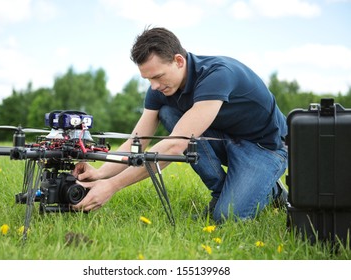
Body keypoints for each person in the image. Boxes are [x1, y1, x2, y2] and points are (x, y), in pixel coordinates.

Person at [72, 27, 288, 223]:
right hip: (224, 137)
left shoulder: (218, 74)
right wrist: (101, 174)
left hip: (265, 148)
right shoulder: (160, 89)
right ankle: (221, 191)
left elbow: (175, 146)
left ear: (179, 61)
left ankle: (272, 191)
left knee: (227, 217)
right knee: (168, 112)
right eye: (148, 79)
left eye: (157, 76)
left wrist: (112, 186)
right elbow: (136, 143)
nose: (154, 86)